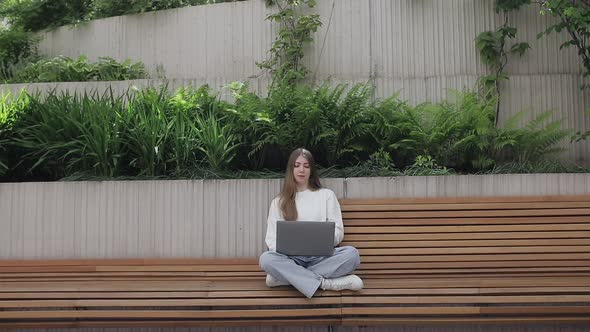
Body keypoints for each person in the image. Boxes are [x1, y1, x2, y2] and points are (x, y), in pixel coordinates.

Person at [258, 148, 363, 298]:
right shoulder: (278, 202)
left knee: (352, 254)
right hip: (291, 259)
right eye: (297, 165)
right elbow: (271, 239)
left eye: (306, 166)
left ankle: (288, 279)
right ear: (291, 169)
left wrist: (323, 240)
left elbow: (338, 232)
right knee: (266, 259)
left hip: (322, 257)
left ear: (312, 170)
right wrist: (288, 248)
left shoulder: (326, 195)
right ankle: (327, 284)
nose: (301, 170)